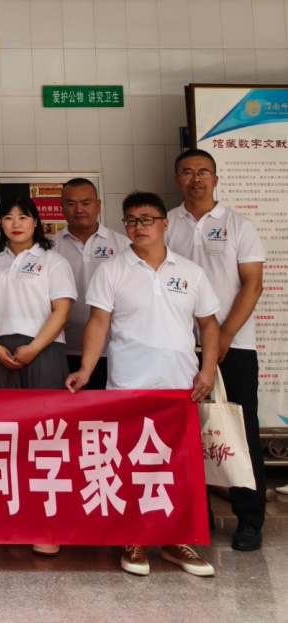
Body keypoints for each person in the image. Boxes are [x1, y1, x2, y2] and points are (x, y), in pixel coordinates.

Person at [66, 191, 220, 578]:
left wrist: (208, 370)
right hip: (128, 382)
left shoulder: (191, 271)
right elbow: (98, 323)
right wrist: (85, 370)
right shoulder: (112, 270)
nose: (139, 227)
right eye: (131, 220)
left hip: (180, 384)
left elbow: (208, 325)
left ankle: (174, 540)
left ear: (164, 224)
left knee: (177, 465)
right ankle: (133, 538)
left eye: (147, 219)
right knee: (130, 462)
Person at [164, 148, 267, 552]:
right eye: (188, 172)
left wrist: (221, 339)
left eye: (203, 171)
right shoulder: (166, 223)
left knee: (240, 431)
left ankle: (250, 520)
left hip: (233, 346)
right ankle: (198, 515)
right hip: (180, 346)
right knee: (187, 432)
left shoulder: (239, 225)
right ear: (177, 180)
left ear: (216, 179)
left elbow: (252, 285)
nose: (196, 178)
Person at [0, 196, 75, 391]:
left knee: (46, 407)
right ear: (1, 223)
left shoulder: (53, 260)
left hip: (44, 346)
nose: (16, 224)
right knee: (6, 408)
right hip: (1, 349)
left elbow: (62, 312)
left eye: (23, 217)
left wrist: (34, 348)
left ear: (35, 222)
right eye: (8, 218)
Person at [56, 178, 130, 390]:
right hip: (62, 348)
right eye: (71, 203)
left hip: (112, 349)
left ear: (98, 205)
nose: (78, 209)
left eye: (86, 203)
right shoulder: (50, 247)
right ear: (62, 207)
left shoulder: (123, 245)